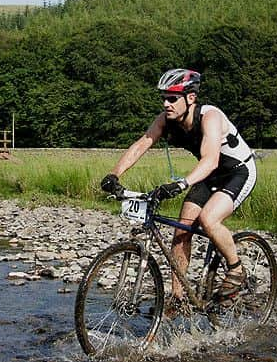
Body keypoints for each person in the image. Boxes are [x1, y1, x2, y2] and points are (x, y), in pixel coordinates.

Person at [100, 68, 257, 316]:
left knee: (208, 219)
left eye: (172, 98)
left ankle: (236, 269)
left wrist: (182, 184)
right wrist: (114, 174)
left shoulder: (210, 117)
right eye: (164, 98)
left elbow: (211, 160)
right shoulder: (166, 120)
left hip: (237, 172)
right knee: (181, 231)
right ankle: (178, 297)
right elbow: (142, 143)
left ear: (190, 98)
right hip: (209, 174)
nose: (166, 104)